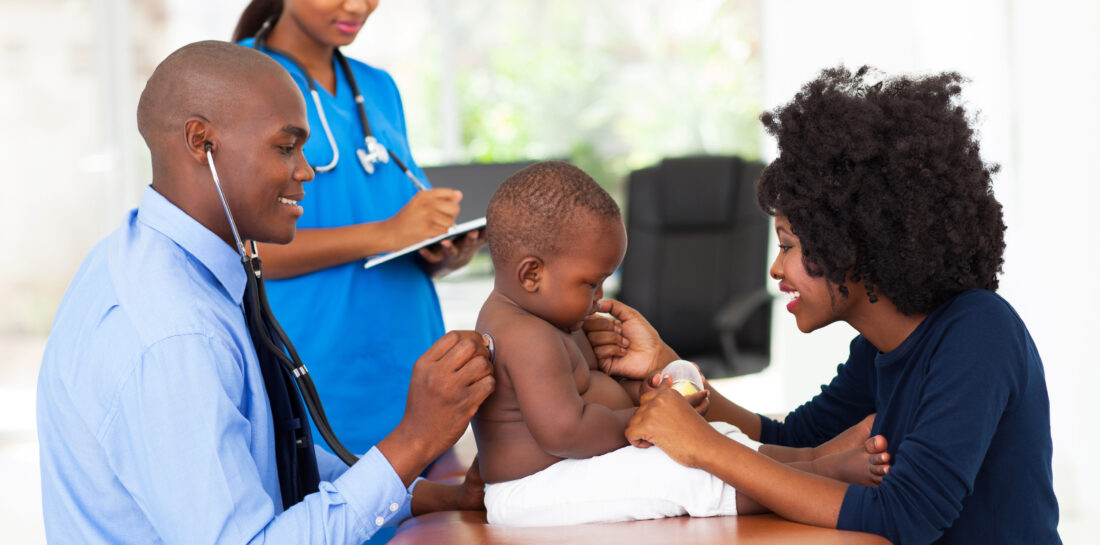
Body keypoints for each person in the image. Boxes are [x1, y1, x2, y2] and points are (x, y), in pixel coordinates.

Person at [36, 41, 493, 544]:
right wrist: (415, 439)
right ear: (200, 142)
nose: (306, 171)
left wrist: (428, 495)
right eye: (285, 146)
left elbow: (265, 461)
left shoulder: (146, 254)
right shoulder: (175, 338)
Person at [585, 66, 1060, 544]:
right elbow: (795, 442)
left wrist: (705, 449)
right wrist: (669, 364)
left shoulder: (979, 332)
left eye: (788, 245)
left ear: (850, 244)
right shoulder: (879, 349)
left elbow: (907, 514)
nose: (775, 269)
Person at [474, 161, 892, 526]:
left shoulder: (554, 316)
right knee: (680, 472)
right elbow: (564, 431)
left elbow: (599, 393)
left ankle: (812, 461)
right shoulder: (526, 336)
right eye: (590, 283)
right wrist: (647, 422)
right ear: (531, 275)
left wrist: (653, 395)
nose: (599, 298)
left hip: (580, 466)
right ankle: (824, 475)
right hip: (539, 490)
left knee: (713, 436)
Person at [230, 0, 487, 473]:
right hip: (320, 364)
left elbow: (399, 222)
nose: (357, 6)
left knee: (436, 524)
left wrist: (441, 253)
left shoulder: (379, 87)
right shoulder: (237, 77)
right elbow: (245, 246)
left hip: (410, 358)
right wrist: (386, 234)